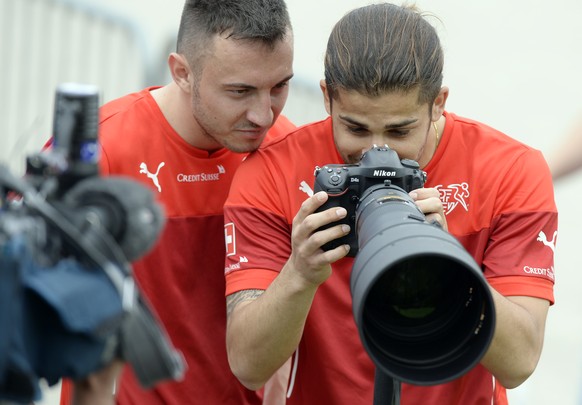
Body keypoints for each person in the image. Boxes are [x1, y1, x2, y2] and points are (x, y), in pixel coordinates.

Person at [223, 3, 557, 404]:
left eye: (400, 130)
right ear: (328, 97)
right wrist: (299, 271)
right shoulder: (271, 173)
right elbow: (247, 364)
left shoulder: (511, 172)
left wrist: (451, 259)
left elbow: (519, 362)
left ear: (438, 103)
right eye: (355, 127)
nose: (376, 151)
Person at [59, 0, 294, 404]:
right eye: (240, 91)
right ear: (182, 72)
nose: (263, 115)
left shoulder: (288, 152)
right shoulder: (102, 149)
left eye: (279, 86)